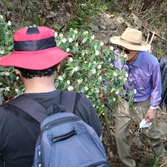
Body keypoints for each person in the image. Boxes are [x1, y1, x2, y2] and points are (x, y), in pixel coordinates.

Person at [0, 26, 102, 167]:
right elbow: (96, 146)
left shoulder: (3, 116)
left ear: (16, 69)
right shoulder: (81, 102)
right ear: (58, 65)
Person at [110, 27, 166, 167]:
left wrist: (152, 108)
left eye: (127, 51)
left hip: (143, 103)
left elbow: (156, 87)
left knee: (150, 133)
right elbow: (109, 76)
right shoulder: (116, 56)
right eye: (120, 48)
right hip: (123, 101)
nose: (122, 53)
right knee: (119, 136)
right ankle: (128, 164)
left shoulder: (151, 62)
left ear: (137, 50)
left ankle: (162, 157)